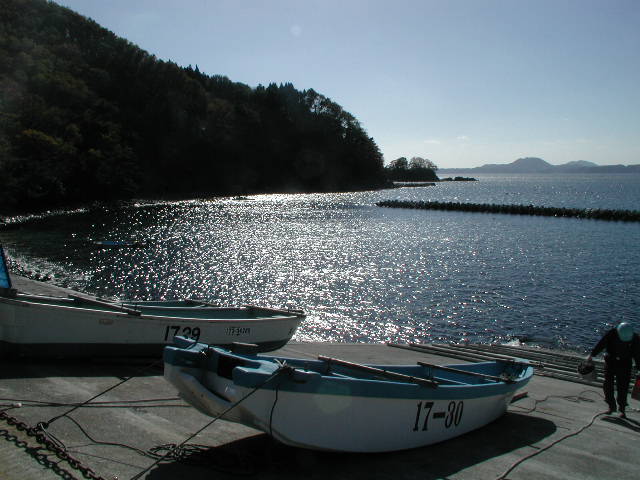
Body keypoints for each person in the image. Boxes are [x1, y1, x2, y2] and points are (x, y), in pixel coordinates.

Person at [587, 322, 640, 418]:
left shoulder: (635, 338)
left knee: (623, 387)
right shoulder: (611, 334)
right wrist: (592, 355)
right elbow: (601, 344)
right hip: (611, 361)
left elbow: (637, 354)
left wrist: (639, 367)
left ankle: (622, 409)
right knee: (608, 385)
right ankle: (611, 406)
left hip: (625, 364)